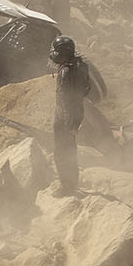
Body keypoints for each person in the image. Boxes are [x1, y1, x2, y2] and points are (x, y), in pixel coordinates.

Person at [48, 34, 100, 196]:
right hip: (77, 110)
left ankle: (67, 186)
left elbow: (65, 100)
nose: (53, 54)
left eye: (56, 51)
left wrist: (69, 123)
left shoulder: (66, 72)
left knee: (62, 150)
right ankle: (71, 182)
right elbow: (86, 88)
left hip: (65, 114)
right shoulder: (81, 65)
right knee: (70, 148)